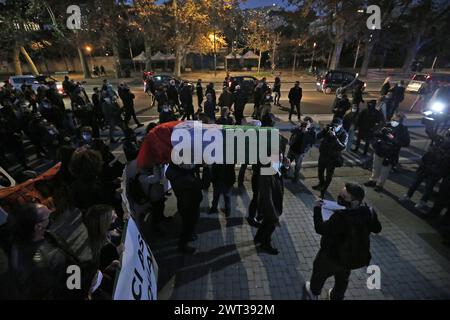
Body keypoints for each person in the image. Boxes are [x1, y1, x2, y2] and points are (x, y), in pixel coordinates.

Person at [304, 183, 382, 300]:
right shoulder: (369, 212)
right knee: (342, 279)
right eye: (340, 194)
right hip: (350, 256)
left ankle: (314, 292)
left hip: (331, 255)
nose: (340, 198)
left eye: (344, 197)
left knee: (319, 274)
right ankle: (336, 296)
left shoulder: (340, 217)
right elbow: (377, 229)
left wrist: (316, 209)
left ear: (355, 201)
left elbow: (320, 228)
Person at [364, 113, 410, 192]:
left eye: (397, 119)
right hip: (379, 150)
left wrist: (393, 138)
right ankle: (373, 180)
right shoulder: (386, 125)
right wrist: (381, 133)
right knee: (375, 167)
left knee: (384, 170)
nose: (394, 121)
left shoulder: (403, 129)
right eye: (394, 119)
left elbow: (405, 143)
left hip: (390, 154)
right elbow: (375, 134)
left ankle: (379, 185)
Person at [400, 139, 449, 209]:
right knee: (416, 183)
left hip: (434, 173)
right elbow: (423, 159)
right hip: (425, 169)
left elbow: (442, 168)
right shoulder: (433, 150)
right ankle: (408, 195)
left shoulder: (445, 156)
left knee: (428, 187)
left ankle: (422, 201)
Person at [165, 164, 203, 254]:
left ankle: (186, 238)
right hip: (189, 206)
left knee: (187, 225)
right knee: (187, 226)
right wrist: (207, 170)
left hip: (185, 204)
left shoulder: (177, 172)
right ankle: (182, 246)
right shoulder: (185, 179)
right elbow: (204, 184)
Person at [254, 157, 288, 255]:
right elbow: (267, 199)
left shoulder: (274, 166)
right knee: (271, 225)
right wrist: (275, 217)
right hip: (270, 207)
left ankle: (258, 237)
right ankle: (265, 244)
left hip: (275, 202)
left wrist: (286, 166)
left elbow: (281, 173)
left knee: (266, 222)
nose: (282, 158)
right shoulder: (266, 174)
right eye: (280, 156)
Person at [312, 118, 348, 198]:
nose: (334, 127)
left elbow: (342, 147)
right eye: (333, 125)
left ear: (341, 126)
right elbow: (317, 137)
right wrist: (324, 131)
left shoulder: (344, 134)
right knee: (320, 172)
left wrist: (335, 137)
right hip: (323, 155)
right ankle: (321, 184)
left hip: (332, 158)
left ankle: (323, 190)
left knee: (329, 175)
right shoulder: (329, 129)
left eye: (336, 125)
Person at [287, 117, 316, 183]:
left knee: (297, 166)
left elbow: (313, 141)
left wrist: (306, 133)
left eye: (306, 123)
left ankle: (296, 178)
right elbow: (291, 130)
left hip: (300, 152)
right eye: (304, 122)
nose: (305, 124)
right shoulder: (299, 127)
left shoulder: (312, 131)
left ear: (310, 124)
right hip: (292, 149)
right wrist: (298, 126)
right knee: (287, 162)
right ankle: (285, 173)